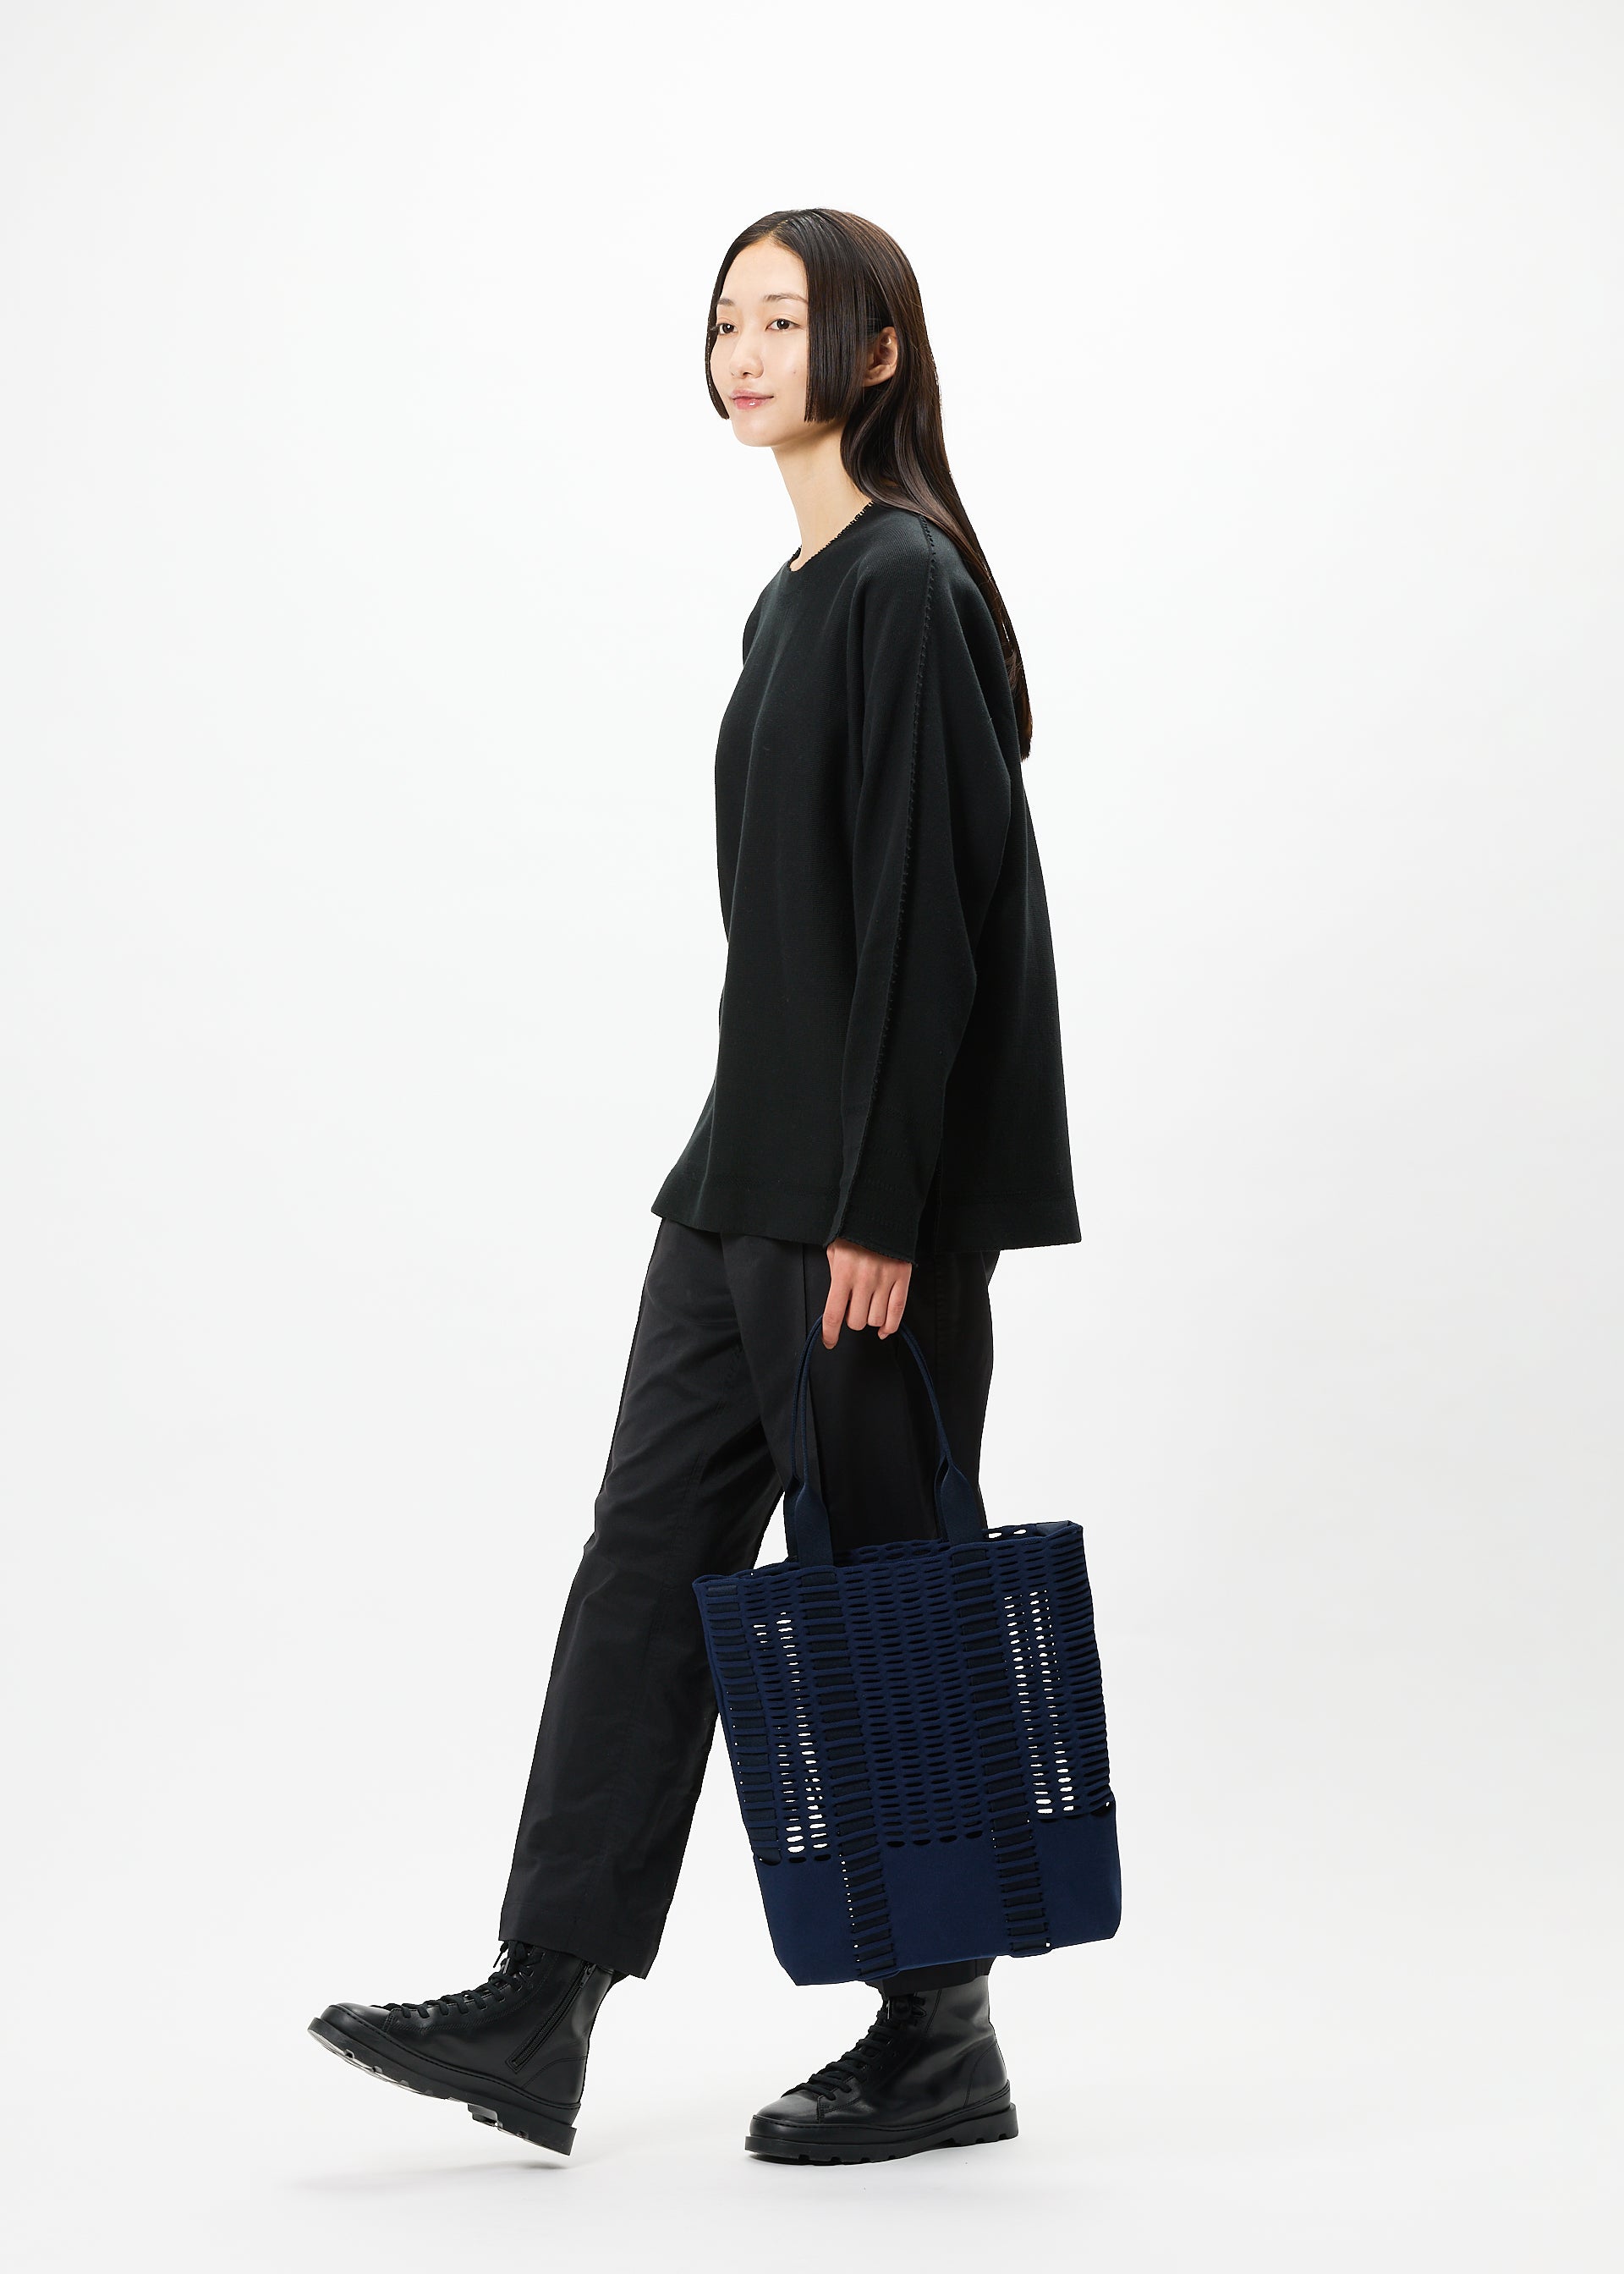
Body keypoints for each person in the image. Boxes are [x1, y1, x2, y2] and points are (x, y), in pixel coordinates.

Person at [310, 207, 1080, 2166]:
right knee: (647, 1562)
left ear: (877, 352)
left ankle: (940, 2038)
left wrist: (884, 1205)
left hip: (856, 1207)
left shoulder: (904, 582)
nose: (745, 349)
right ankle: (542, 1999)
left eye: (785, 318)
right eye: (726, 317)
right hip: (740, 1174)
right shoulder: (793, 597)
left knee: (882, 1590)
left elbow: (926, 926)